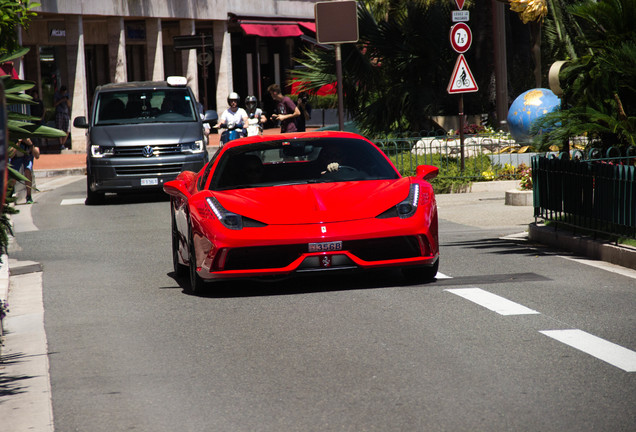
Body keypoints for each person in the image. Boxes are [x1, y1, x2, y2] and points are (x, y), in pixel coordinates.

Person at [8, 138, 40, 204]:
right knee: (13, 174)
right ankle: (9, 194)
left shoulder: (31, 137)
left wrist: (30, 144)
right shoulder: (14, 137)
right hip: (16, 157)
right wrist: (18, 143)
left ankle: (28, 196)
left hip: (27, 156)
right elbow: (10, 155)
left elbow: (37, 155)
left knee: (28, 171)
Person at [54, 85, 71, 149]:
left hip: (66, 113)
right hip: (59, 113)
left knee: (67, 130)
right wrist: (61, 100)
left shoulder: (67, 95)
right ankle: (60, 144)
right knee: (59, 129)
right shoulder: (57, 95)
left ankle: (63, 143)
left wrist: (66, 100)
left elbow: (69, 105)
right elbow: (54, 104)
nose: (64, 93)